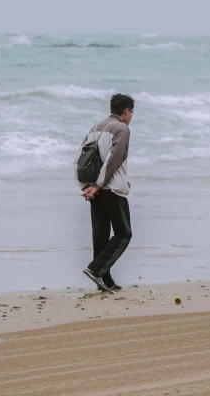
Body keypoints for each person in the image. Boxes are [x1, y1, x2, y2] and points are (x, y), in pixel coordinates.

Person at [76, 93, 134, 292]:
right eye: (131, 111)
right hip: (111, 188)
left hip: (95, 189)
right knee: (124, 233)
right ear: (126, 111)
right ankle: (96, 268)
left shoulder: (95, 128)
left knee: (100, 235)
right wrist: (100, 184)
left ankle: (106, 281)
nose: (131, 115)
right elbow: (114, 159)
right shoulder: (122, 128)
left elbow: (80, 160)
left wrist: (86, 187)